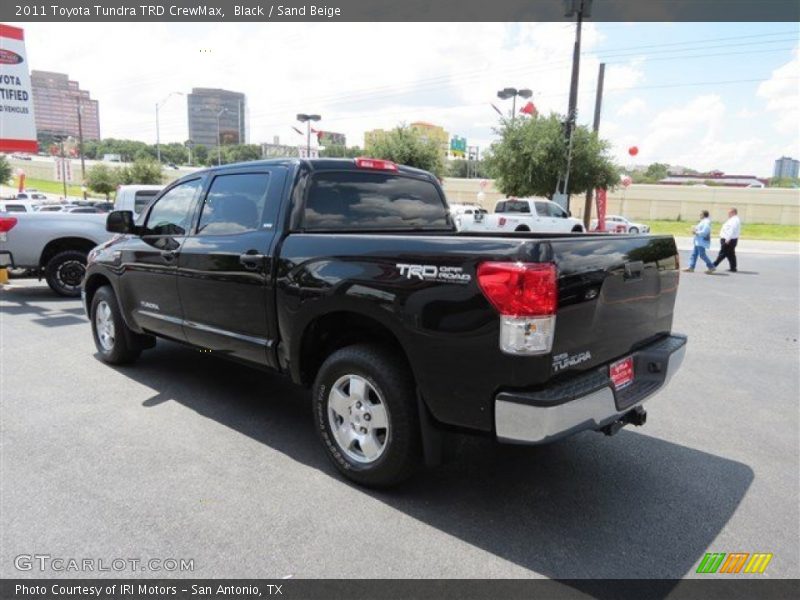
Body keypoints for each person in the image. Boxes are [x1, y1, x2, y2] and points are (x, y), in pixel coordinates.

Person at [713, 207, 741, 272]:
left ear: (733, 212)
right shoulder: (733, 219)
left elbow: (731, 230)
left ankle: (713, 265)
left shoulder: (734, 220)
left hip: (728, 239)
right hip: (731, 239)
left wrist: (728, 239)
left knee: (723, 253)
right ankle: (733, 268)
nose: (728, 214)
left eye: (729, 213)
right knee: (730, 254)